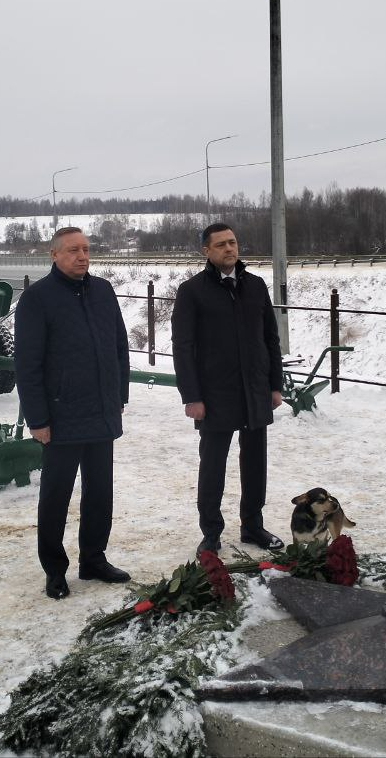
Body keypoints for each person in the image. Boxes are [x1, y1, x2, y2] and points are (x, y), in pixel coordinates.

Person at [14, 227, 131, 599]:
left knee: (100, 493)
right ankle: (54, 569)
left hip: (101, 410)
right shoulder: (37, 299)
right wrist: (38, 420)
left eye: (86, 249)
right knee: (56, 497)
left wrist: (119, 396)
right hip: (61, 416)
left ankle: (94, 559)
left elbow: (119, 347)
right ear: (54, 255)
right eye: (73, 251)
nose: (82, 256)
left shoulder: (103, 291)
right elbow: (27, 365)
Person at [171, 223, 285, 555]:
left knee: (255, 464)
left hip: (254, 391)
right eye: (220, 244)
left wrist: (274, 385)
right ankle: (211, 532)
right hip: (214, 395)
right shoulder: (192, 291)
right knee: (213, 466)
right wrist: (191, 396)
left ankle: (253, 526)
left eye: (233, 242)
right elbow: (183, 346)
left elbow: (270, 340)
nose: (229, 249)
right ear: (206, 251)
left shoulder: (255, 285)